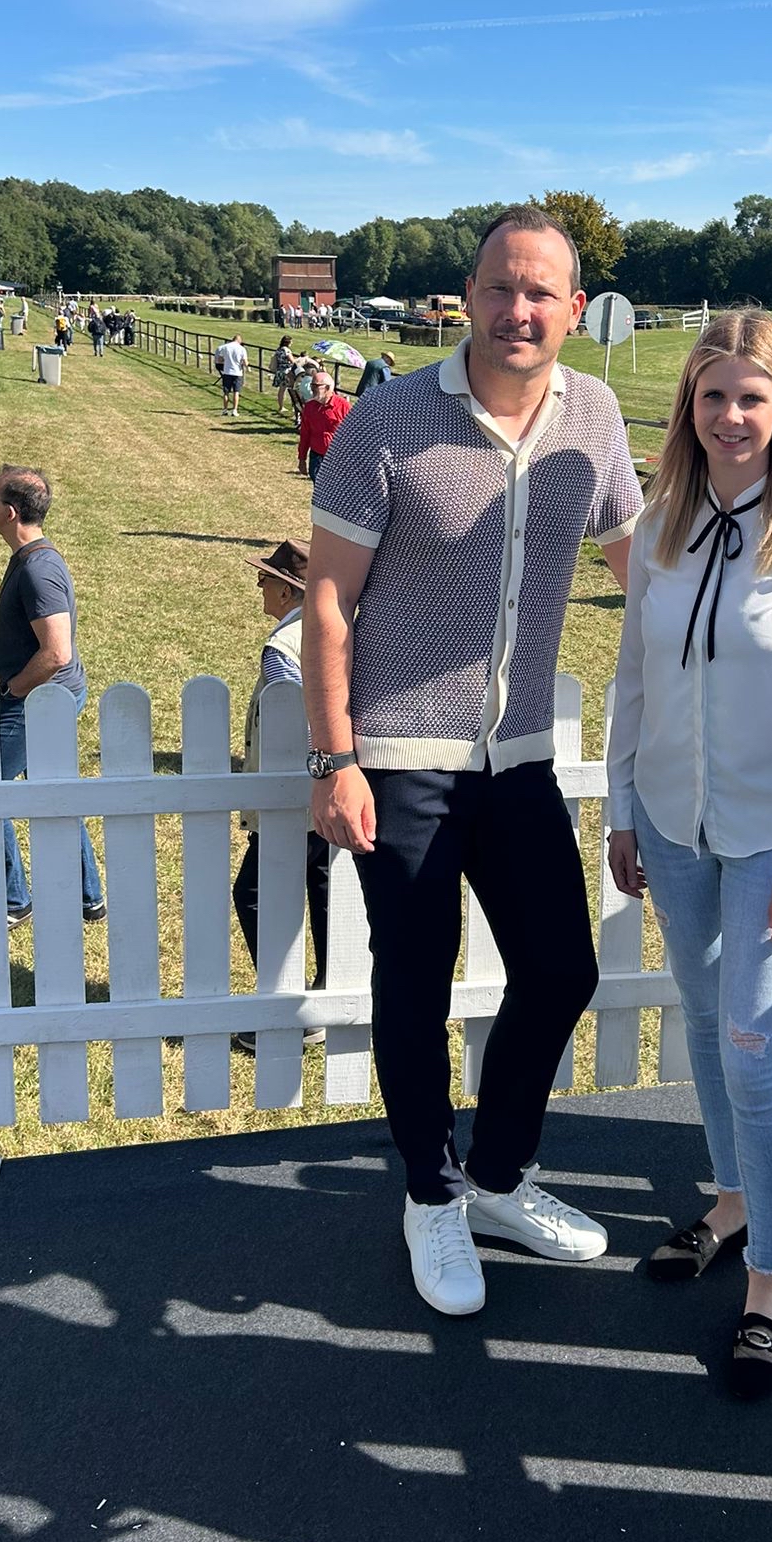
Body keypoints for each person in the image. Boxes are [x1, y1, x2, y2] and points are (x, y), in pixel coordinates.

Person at [303, 204, 642, 1317]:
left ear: (573, 309)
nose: (519, 309)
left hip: (520, 755)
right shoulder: (390, 419)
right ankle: (431, 1192)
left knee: (561, 968)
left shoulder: (593, 414)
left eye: (542, 291)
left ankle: (497, 1174)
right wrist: (335, 757)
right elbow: (326, 598)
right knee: (417, 980)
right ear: (469, 293)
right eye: (501, 286)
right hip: (400, 756)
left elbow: (643, 562)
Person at [606, 312, 772, 1397]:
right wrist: (623, 805)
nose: (731, 417)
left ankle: (771, 1272)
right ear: (689, 407)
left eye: (751, 398)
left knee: (757, 1040)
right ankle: (730, 1192)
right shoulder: (659, 519)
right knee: (707, 1015)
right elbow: (632, 677)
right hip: (672, 820)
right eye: (713, 397)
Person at [0, 465, 106, 929]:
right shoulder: (29, 558)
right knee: (53, 793)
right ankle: (87, 896)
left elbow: (56, 652)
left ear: (10, 512)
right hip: (42, 696)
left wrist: (15, 689)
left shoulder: (38, 569)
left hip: (38, 698)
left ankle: (13, 899)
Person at [232, 538, 330, 1053]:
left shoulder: (282, 648)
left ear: (289, 589)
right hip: (323, 789)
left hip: (291, 794)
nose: (260, 585)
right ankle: (328, 991)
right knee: (323, 887)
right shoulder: (328, 629)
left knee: (253, 894)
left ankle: (287, 1003)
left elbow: (286, 719)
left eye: (266, 578)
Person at [296, 369, 349, 479]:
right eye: (312, 386)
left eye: (316, 386)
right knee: (319, 492)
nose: (312, 389)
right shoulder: (309, 407)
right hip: (317, 457)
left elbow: (354, 435)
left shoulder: (343, 407)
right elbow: (305, 434)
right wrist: (302, 459)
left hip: (339, 458)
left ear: (328, 388)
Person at [216, 332, 248, 416]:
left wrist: (226, 361)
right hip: (237, 372)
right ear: (239, 340)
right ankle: (234, 410)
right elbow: (245, 363)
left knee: (226, 392)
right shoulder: (242, 349)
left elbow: (219, 360)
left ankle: (225, 409)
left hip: (227, 372)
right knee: (236, 392)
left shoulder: (225, 347)